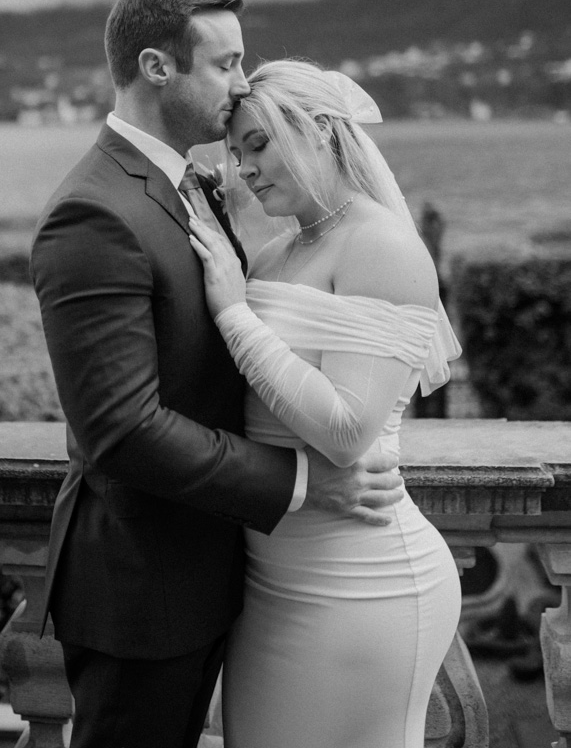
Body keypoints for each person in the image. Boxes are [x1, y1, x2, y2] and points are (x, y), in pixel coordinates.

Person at [30, 0, 404, 748]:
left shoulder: (183, 184)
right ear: (158, 67)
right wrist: (307, 480)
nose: (242, 85)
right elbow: (121, 430)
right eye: (226, 64)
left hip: (213, 571)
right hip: (143, 589)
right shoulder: (93, 211)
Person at [188, 59, 463, 748]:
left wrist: (231, 313)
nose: (244, 168)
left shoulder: (383, 246)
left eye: (258, 145)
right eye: (234, 152)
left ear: (319, 131)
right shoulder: (274, 255)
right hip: (269, 582)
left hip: (363, 582)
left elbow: (344, 432)